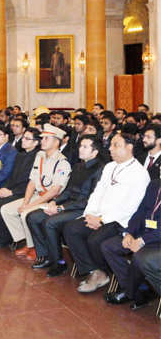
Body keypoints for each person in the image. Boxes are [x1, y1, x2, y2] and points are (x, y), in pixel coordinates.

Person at [63, 132, 150, 293]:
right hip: (97, 215)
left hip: (120, 221)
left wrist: (102, 220)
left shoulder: (139, 173)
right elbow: (97, 193)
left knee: (95, 240)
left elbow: (131, 206)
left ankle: (101, 272)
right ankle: (95, 271)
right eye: (110, 145)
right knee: (71, 229)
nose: (110, 149)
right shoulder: (110, 167)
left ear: (129, 147)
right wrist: (89, 214)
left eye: (116, 145)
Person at [26, 135, 104, 275]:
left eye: (85, 147)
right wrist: (54, 202)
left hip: (83, 209)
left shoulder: (100, 169)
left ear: (95, 152)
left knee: (50, 222)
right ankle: (45, 256)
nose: (80, 149)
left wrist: (62, 208)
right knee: (33, 217)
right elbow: (68, 191)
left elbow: (90, 199)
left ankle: (59, 262)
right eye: (80, 146)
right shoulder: (78, 166)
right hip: (69, 205)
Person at [0, 124, 72, 260]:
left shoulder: (63, 163)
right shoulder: (40, 155)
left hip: (50, 200)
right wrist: (26, 201)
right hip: (36, 196)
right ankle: (27, 241)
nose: (42, 141)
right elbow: (32, 181)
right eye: (42, 138)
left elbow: (54, 190)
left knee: (26, 214)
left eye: (46, 138)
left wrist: (30, 206)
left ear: (56, 142)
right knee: (6, 210)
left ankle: (33, 246)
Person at [0, 127, 41, 248]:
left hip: (23, 192)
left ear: (36, 142)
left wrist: (11, 192)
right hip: (10, 189)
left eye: (27, 138)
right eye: (23, 137)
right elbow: (11, 176)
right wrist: (4, 188)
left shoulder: (37, 157)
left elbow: (31, 182)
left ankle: (5, 237)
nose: (23, 140)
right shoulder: (21, 155)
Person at [102, 179, 160, 308]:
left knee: (139, 257)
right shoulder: (155, 184)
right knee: (109, 247)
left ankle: (130, 292)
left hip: (157, 240)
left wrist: (142, 241)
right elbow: (141, 211)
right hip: (143, 232)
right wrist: (129, 233)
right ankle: (139, 291)